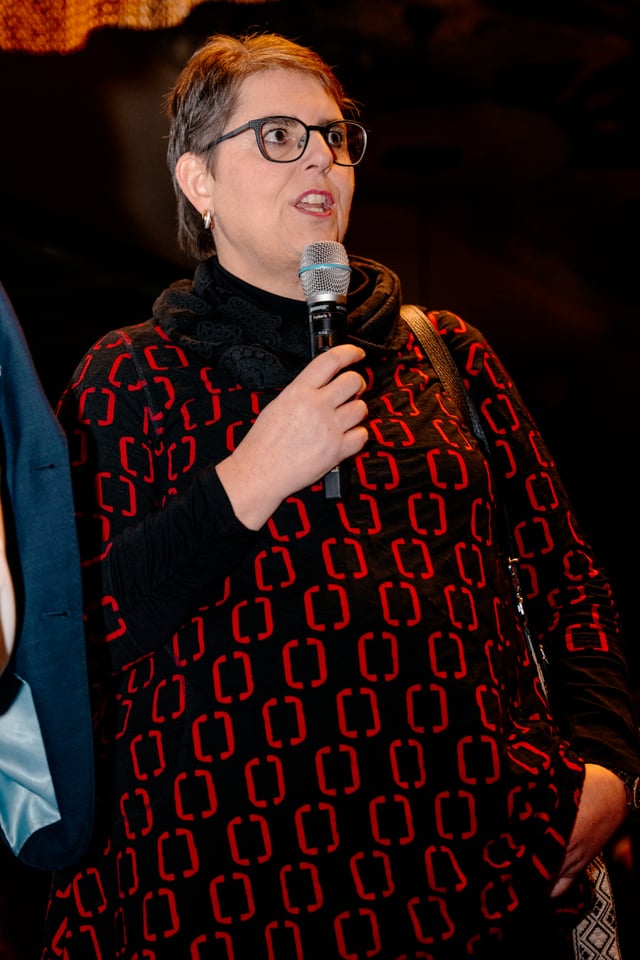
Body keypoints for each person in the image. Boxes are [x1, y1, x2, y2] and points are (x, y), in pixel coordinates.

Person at [40, 32, 640, 960]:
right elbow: (72, 637)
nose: (321, 157)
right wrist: (248, 480)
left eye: (334, 135)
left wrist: (609, 765)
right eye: (279, 135)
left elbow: (569, 583)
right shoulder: (128, 377)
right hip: (224, 900)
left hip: (477, 887)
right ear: (199, 179)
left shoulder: (446, 354)